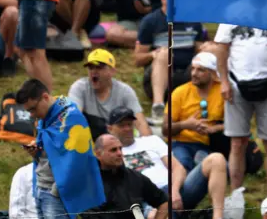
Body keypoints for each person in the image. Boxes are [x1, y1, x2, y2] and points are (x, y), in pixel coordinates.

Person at [216, 25, 267, 196]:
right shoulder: (233, 12)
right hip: (236, 84)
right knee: (237, 142)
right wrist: (224, 81)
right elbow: (221, 47)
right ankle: (235, 195)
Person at [107, 106, 228, 219]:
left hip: (176, 190)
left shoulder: (152, 141)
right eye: (122, 125)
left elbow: (178, 168)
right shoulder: (109, 155)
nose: (127, 128)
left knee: (216, 159)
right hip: (149, 200)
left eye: (129, 124)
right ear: (110, 128)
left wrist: (174, 192)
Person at [16, 78, 106, 219]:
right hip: (40, 188)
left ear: (45, 97)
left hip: (56, 194)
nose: (32, 115)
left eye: (33, 109)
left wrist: (56, 190)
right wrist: (36, 153)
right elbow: (53, 153)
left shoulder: (71, 117)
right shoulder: (46, 118)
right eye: (28, 111)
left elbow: (78, 159)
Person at [135, 0, 204, 124]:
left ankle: (210, 104)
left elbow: (200, 49)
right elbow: (137, 59)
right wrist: (152, 55)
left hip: (188, 74)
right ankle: (158, 106)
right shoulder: (151, 21)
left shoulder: (193, 20)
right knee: (164, 53)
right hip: (159, 78)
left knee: (208, 55)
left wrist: (208, 48)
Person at [162, 52, 225, 172]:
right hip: (181, 143)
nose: (194, 74)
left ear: (212, 74)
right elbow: (165, 129)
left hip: (211, 144)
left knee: (219, 166)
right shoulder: (179, 92)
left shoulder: (222, 91)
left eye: (200, 70)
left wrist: (215, 128)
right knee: (183, 163)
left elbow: (236, 124)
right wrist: (185, 125)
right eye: (193, 69)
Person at [68, 49, 152, 138]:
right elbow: (73, 118)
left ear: (112, 71)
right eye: (91, 67)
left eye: (99, 67)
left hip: (118, 142)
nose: (94, 71)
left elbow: (140, 123)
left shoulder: (125, 91)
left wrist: (148, 145)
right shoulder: (79, 88)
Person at [90, 134, 168, 219]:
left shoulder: (135, 177)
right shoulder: (88, 182)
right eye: (113, 150)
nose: (119, 153)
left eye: (120, 149)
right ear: (98, 154)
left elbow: (164, 202)